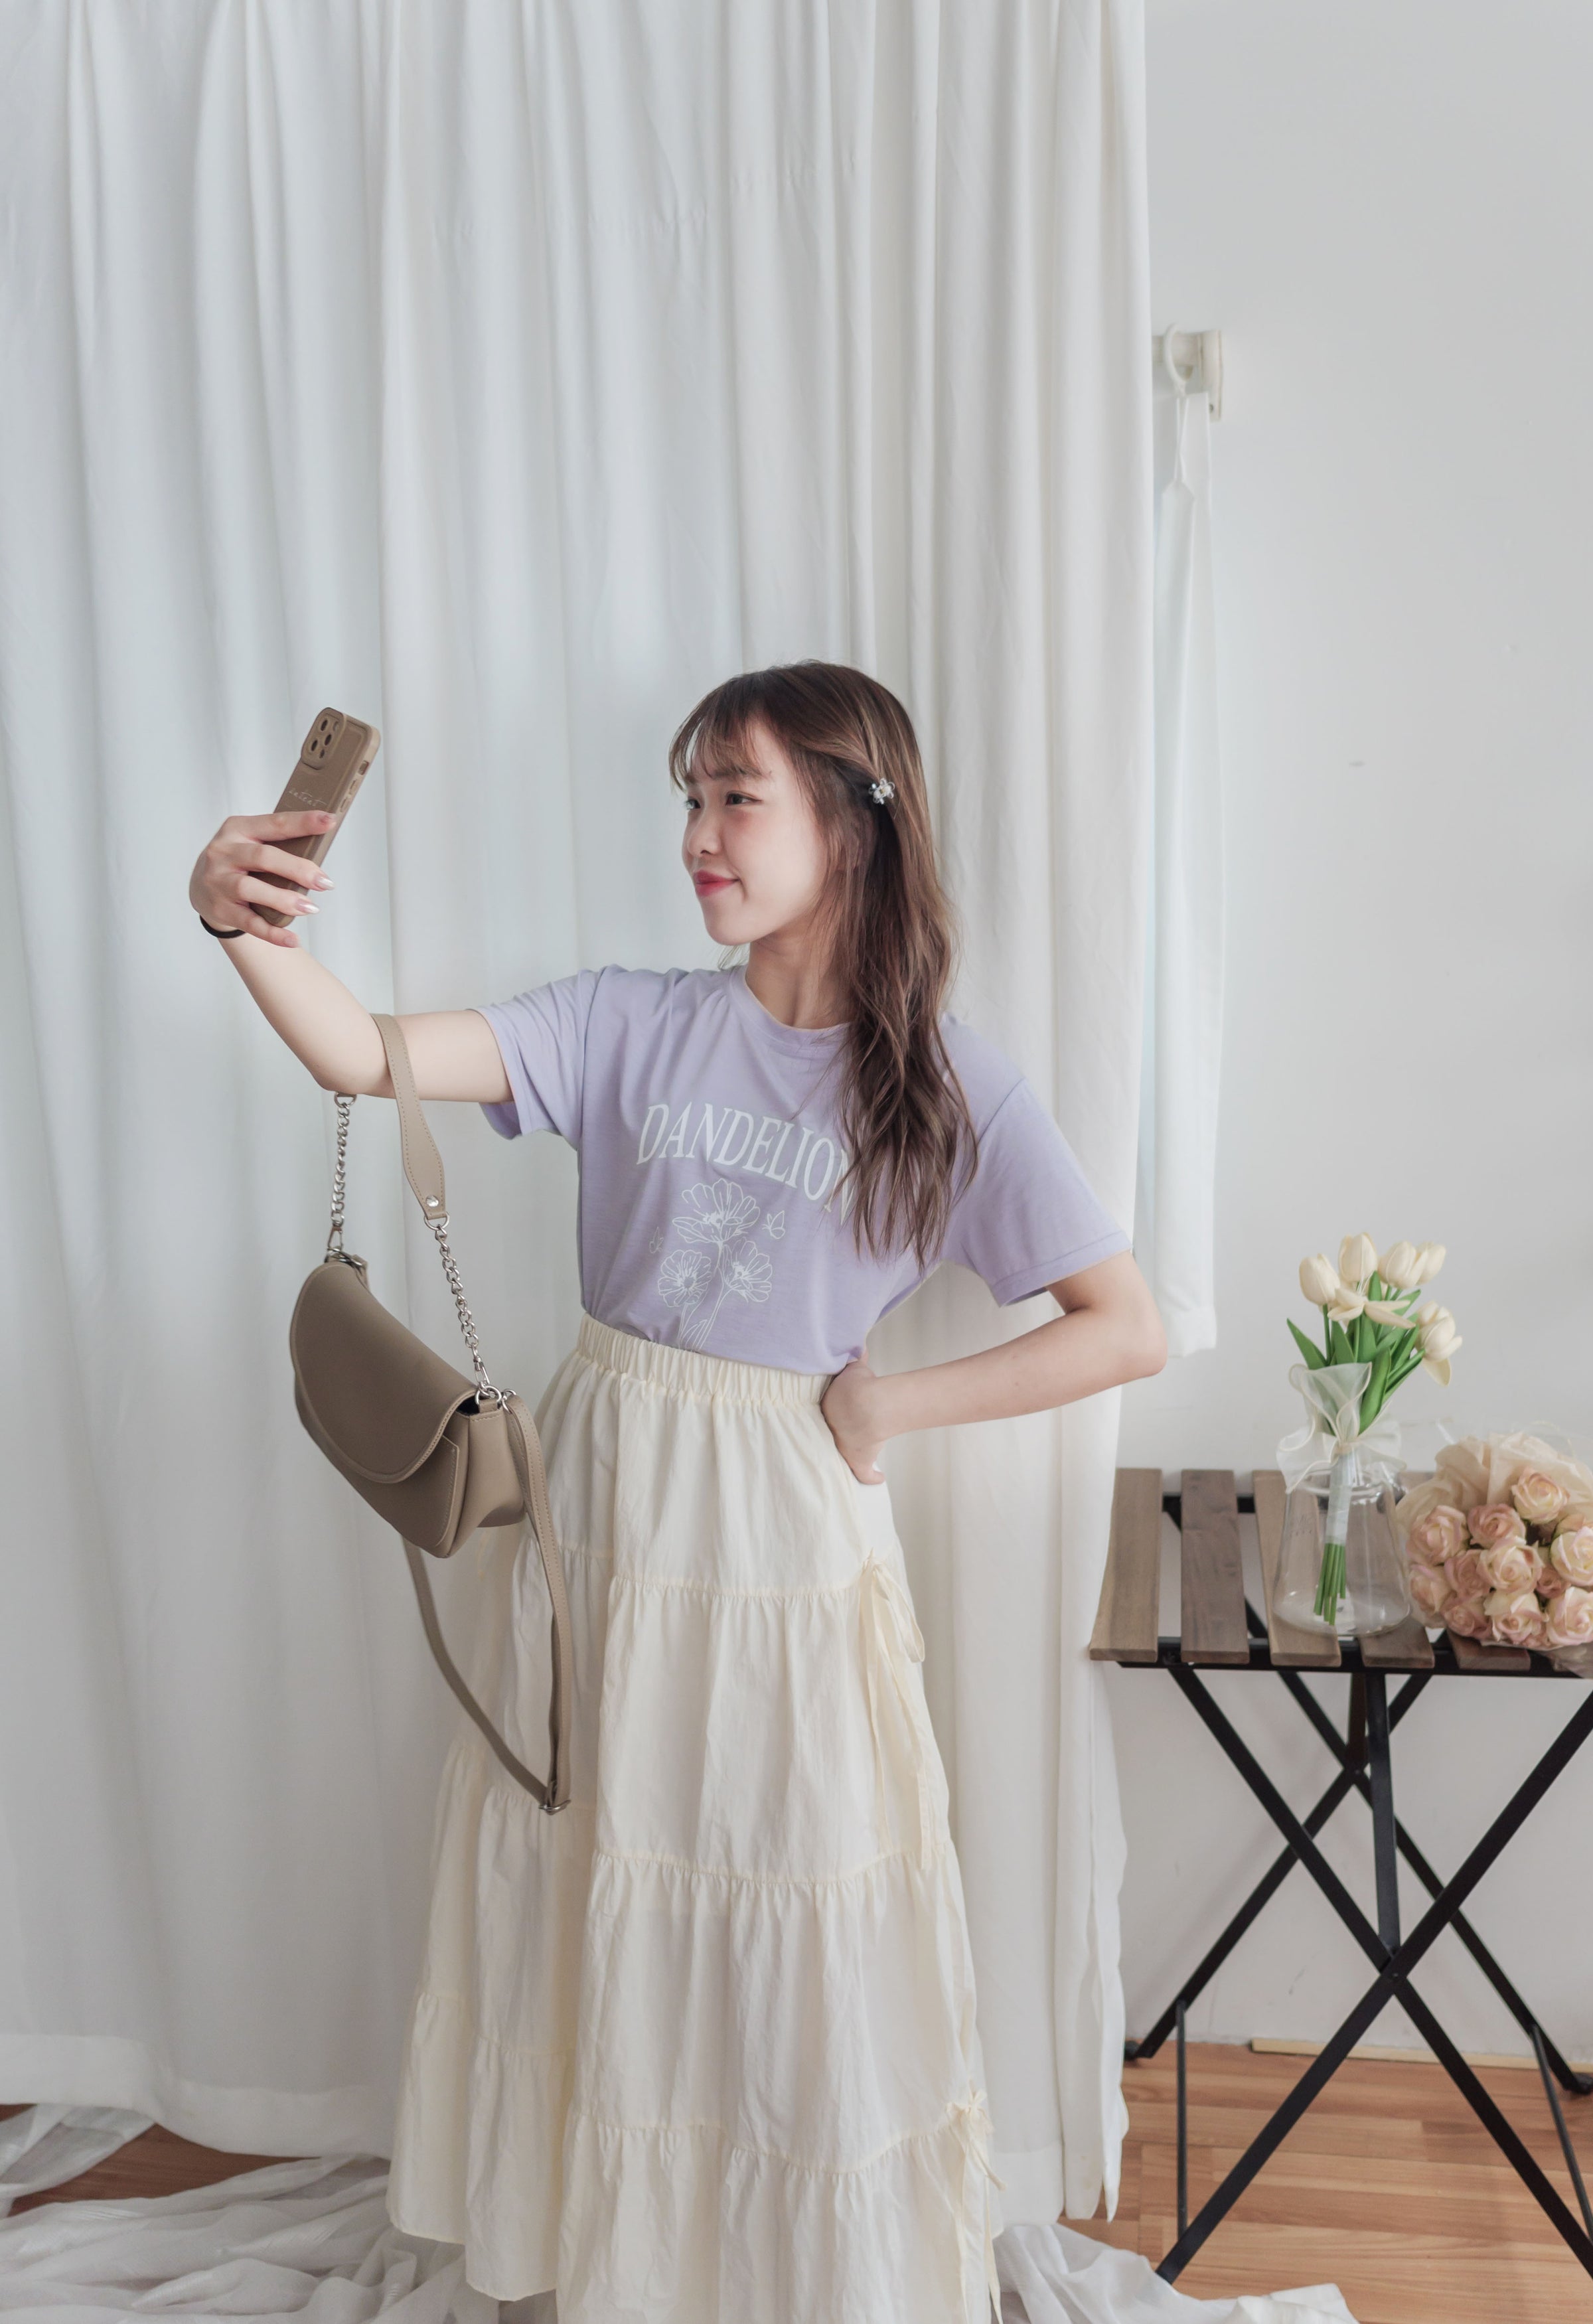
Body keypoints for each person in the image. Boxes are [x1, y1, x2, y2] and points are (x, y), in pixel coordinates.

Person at [188, 660, 1167, 2324]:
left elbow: (1121, 1322)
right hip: (605, 1505)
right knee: (599, 1876)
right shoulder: (629, 1021)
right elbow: (364, 1055)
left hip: (785, 1530)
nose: (700, 835)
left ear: (853, 823)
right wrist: (243, 923)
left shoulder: (946, 1080)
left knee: (786, 1896)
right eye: (691, 800)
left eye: (737, 799)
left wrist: (893, 1401)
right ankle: (617, 2267)